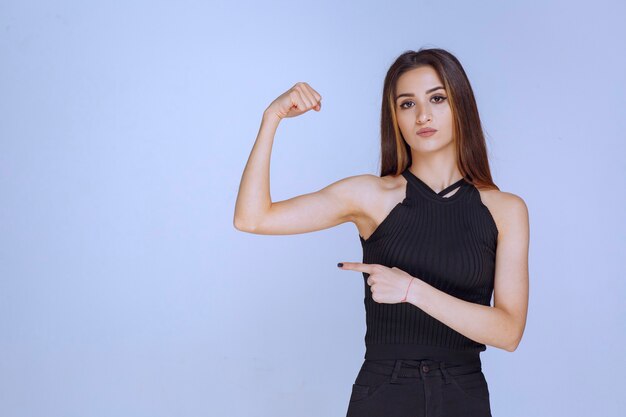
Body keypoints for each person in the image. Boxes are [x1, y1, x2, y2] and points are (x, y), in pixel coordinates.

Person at [233, 47, 529, 417]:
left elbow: (508, 331)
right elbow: (252, 218)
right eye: (407, 104)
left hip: (463, 394)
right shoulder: (371, 196)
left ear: (460, 106)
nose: (423, 115)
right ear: (395, 118)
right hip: (385, 393)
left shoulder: (505, 210)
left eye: (437, 98)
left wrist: (411, 290)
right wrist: (271, 118)